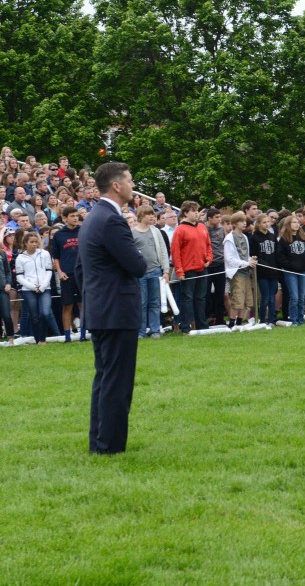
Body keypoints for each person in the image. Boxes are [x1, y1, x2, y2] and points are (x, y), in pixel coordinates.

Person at [77, 162, 147, 455]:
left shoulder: (93, 218)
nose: (133, 185)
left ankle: (100, 442)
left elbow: (82, 270)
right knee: (117, 382)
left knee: (104, 379)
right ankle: (110, 446)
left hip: (101, 308)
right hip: (117, 309)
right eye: (130, 180)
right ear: (116, 185)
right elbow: (138, 265)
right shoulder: (112, 220)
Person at [170, 201, 213, 334]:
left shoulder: (202, 227)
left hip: (202, 267)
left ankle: (201, 324)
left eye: (196, 210)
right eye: (193, 211)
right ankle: (186, 325)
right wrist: (179, 271)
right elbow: (175, 252)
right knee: (187, 298)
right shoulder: (180, 230)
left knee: (201, 297)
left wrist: (209, 259)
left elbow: (208, 246)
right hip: (188, 269)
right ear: (185, 213)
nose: (196, 213)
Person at [130, 205, 170, 339]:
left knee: (155, 302)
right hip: (140, 273)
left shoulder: (156, 231)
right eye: (149, 214)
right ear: (141, 216)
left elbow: (163, 251)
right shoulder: (132, 232)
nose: (152, 217)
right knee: (141, 302)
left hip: (155, 271)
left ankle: (154, 330)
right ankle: (140, 331)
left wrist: (166, 270)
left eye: (153, 214)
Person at [49, 206, 83, 341]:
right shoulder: (59, 235)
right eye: (72, 216)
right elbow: (55, 256)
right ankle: (67, 336)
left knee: (82, 304)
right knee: (67, 305)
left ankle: (83, 334)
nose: (75, 218)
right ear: (65, 218)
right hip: (66, 274)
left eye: (77, 216)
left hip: (82, 273)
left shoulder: (84, 231)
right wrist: (59, 271)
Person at [15, 231, 55, 345]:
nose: (34, 244)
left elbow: (48, 271)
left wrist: (42, 286)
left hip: (44, 288)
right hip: (28, 289)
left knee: (45, 313)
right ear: (25, 243)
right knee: (34, 316)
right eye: (31, 242)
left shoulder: (45, 254)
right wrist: (32, 286)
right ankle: (39, 340)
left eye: (36, 242)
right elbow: (19, 277)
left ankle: (43, 339)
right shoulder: (20, 258)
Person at [277, 213, 305, 326]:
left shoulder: (304, 238)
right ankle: (294, 320)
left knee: (302, 297)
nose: (297, 224)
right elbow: (281, 257)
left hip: (304, 271)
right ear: (288, 225)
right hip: (290, 271)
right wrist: (291, 266)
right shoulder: (283, 240)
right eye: (294, 222)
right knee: (294, 297)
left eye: (298, 222)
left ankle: (301, 320)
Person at [222, 211, 256, 328]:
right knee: (237, 300)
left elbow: (246, 255)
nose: (244, 224)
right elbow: (229, 258)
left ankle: (240, 323)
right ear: (235, 224)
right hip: (236, 272)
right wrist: (245, 263)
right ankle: (232, 324)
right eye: (241, 221)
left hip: (246, 272)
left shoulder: (245, 237)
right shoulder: (229, 238)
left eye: (245, 221)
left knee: (246, 300)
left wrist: (251, 260)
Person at [249, 214, 280, 325]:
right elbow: (253, 255)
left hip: (274, 271)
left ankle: (271, 320)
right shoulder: (254, 237)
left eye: (268, 222)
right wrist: (265, 265)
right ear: (258, 224)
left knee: (272, 297)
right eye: (264, 222)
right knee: (265, 297)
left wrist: (276, 267)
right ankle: (262, 320)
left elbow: (277, 253)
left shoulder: (272, 236)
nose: (267, 224)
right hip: (262, 272)